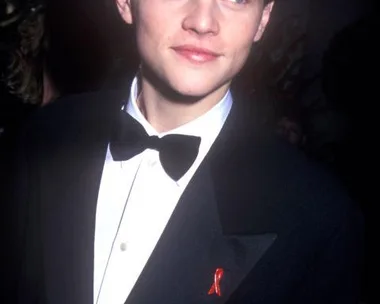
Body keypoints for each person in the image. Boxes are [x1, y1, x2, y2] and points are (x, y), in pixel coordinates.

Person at [7, 1, 364, 303]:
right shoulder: (45, 137)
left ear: (263, 19)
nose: (203, 22)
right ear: (125, 3)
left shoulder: (319, 218)